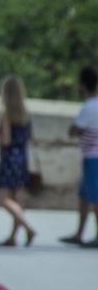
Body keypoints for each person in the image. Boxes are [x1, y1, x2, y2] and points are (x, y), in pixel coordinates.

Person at [0, 75, 37, 247]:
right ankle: (13, 236)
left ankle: (28, 227)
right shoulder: (26, 115)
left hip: (8, 159)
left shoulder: (6, 115)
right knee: (16, 199)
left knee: (5, 199)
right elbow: (29, 138)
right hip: (22, 158)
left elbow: (6, 140)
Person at [61, 65, 98, 246]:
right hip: (91, 155)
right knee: (84, 196)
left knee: (95, 197)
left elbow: (75, 129)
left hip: (93, 156)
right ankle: (79, 233)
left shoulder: (89, 107)